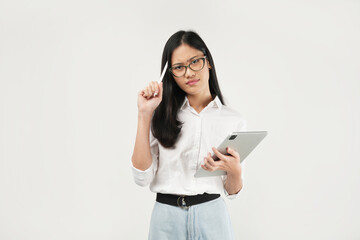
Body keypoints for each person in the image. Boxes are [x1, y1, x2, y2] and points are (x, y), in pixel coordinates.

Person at [131, 30, 247, 240]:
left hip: (213, 216)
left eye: (195, 62)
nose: (189, 73)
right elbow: (141, 177)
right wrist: (144, 113)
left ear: (208, 61)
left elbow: (232, 191)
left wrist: (235, 170)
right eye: (179, 67)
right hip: (166, 217)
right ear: (170, 73)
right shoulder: (160, 114)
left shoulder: (233, 120)